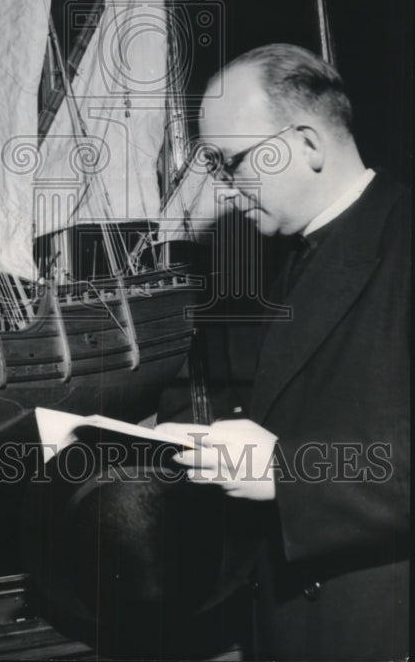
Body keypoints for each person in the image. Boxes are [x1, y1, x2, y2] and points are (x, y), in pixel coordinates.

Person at [158, 44, 410, 661]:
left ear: (307, 144)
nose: (224, 187)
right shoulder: (286, 258)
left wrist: (285, 473)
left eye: (231, 162)